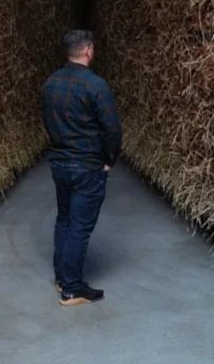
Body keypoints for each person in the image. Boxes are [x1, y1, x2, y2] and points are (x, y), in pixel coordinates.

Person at [41, 29, 122, 306]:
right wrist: (109, 159)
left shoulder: (50, 83)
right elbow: (112, 129)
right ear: (88, 50)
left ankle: (62, 277)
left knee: (64, 219)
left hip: (60, 164)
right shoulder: (96, 86)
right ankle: (72, 289)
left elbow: (48, 122)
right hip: (87, 166)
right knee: (79, 227)